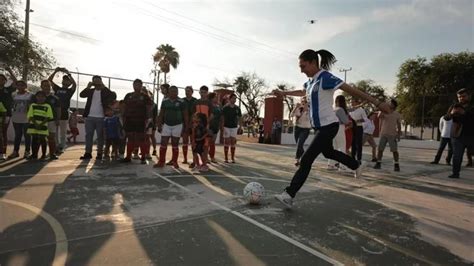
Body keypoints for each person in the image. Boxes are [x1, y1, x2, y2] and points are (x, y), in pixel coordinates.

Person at [272, 49, 391, 208]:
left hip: (329, 126)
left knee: (306, 159)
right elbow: (303, 91)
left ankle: (289, 194)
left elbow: (351, 89)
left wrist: (376, 103)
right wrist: (284, 93)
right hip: (320, 127)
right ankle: (356, 165)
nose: (301, 70)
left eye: (303, 66)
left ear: (314, 63)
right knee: (328, 152)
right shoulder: (310, 82)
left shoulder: (325, 78)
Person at [79, 75, 116, 160]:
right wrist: (88, 87)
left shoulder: (104, 91)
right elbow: (81, 95)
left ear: (101, 81)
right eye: (95, 81)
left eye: (98, 81)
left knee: (100, 136)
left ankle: (99, 153)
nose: (96, 82)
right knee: (89, 135)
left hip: (101, 117)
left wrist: (103, 86)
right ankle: (88, 153)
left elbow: (113, 96)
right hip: (89, 116)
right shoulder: (90, 91)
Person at [154, 85, 188, 168]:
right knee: (163, 143)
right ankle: (161, 162)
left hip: (178, 125)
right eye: (172, 91)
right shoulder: (165, 101)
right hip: (166, 125)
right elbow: (161, 114)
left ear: (177, 92)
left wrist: (186, 127)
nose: (174, 93)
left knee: (175, 144)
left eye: (175, 91)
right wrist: (159, 125)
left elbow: (185, 115)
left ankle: (175, 162)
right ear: (169, 92)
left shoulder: (181, 102)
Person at [121, 79, 153, 164]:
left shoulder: (145, 96)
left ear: (141, 86)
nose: (137, 86)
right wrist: (123, 117)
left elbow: (149, 108)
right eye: (135, 85)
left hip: (141, 120)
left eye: (139, 85)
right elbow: (123, 107)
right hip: (129, 120)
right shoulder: (128, 95)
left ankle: (143, 157)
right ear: (133, 85)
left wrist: (149, 120)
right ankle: (128, 157)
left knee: (141, 139)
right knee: (130, 138)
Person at [49, 67, 76, 153]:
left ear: (69, 82)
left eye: (67, 80)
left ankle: (62, 147)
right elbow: (49, 80)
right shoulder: (57, 89)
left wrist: (68, 73)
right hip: (55, 112)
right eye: (64, 79)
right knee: (54, 131)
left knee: (63, 132)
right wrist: (55, 71)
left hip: (64, 112)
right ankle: (56, 146)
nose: (65, 81)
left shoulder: (70, 91)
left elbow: (75, 84)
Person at [449, 88, 474, 178]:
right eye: (459, 97)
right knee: (457, 156)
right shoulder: (455, 106)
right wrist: (451, 113)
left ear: (469, 96)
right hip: (457, 135)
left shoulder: (472, 106)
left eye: (463, 96)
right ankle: (455, 173)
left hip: (471, 135)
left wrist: (464, 113)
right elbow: (446, 117)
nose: (461, 98)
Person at [34, 80, 61, 160]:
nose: (47, 87)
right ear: (41, 86)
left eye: (48, 86)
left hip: (51, 121)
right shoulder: (36, 96)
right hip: (39, 121)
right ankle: (36, 155)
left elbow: (58, 109)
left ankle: (52, 154)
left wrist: (58, 119)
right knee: (39, 138)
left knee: (51, 138)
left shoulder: (55, 98)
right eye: (45, 85)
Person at [373, 99, 402, 172]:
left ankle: (396, 165)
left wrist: (398, 135)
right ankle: (378, 163)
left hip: (392, 135)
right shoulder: (383, 112)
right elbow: (378, 116)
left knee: (394, 150)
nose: (389, 104)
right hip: (383, 134)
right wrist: (382, 110)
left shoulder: (397, 114)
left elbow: (399, 125)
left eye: (391, 103)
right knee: (380, 149)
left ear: (394, 105)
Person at [8, 80, 32, 159]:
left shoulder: (30, 95)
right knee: (17, 135)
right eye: (18, 85)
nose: (20, 87)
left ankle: (27, 151)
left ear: (25, 86)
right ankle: (15, 151)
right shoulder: (13, 95)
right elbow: (11, 105)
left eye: (22, 85)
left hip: (26, 118)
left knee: (27, 135)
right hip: (16, 118)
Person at [26, 91, 53, 160]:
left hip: (43, 126)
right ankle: (34, 155)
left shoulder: (47, 106)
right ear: (36, 97)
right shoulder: (32, 105)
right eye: (39, 96)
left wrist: (40, 124)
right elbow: (30, 115)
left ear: (45, 98)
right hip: (33, 125)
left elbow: (48, 117)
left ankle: (43, 155)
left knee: (43, 140)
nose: (40, 98)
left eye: (42, 96)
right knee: (34, 139)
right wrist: (35, 124)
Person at [191, 85, 213, 167]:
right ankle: (195, 162)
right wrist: (194, 123)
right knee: (195, 144)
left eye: (204, 92)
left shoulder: (209, 103)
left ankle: (205, 161)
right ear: (199, 92)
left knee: (205, 145)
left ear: (207, 93)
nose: (203, 94)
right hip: (196, 127)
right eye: (201, 92)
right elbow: (193, 114)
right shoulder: (196, 102)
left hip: (205, 127)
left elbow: (212, 115)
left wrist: (206, 123)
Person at [328, 95, 351, 170]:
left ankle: (331, 164)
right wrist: (349, 121)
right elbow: (345, 121)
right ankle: (342, 166)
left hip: (332, 129)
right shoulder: (340, 109)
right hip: (339, 128)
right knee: (342, 147)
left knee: (334, 147)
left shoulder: (333, 109)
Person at [0, 66, 17, 160]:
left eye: (2, 79)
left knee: (3, 132)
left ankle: (3, 152)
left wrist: (10, 71)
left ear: (5, 81)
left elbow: (16, 82)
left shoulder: (8, 89)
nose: (0, 81)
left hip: (6, 114)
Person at [290, 96, 311, 166]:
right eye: (302, 102)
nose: (303, 103)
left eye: (305, 102)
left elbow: (310, 119)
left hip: (305, 128)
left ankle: (297, 159)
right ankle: (305, 157)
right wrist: (296, 107)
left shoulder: (310, 110)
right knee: (299, 145)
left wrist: (307, 111)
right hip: (297, 128)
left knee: (300, 143)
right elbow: (291, 115)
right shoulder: (298, 109)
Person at [222, 94, 242, 163]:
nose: (234, 100)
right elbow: (222, 118)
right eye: (233, 98)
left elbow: (240, 118)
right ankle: (226, 158)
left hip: (234, 127)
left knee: (233, 142)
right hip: (226, 126)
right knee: (226, 142)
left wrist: (240, 126)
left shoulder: (237, 108)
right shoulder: (225, 107)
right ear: (229, 99)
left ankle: (232, 158)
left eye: (235, 99)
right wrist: (222, 127)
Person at [181, 86, 197, 165]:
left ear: (192, 92)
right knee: (184, 142)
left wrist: (193, 122)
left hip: (193, 124)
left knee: (193, 142)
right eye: (186, 91)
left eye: (188, 91)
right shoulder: (182, 100)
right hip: (184, 124)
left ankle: (194, 159)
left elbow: (196, 113)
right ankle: (185, 158)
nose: (187, 92)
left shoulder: (195, 101)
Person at [349, 98, 368, 163]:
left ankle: (359, 159)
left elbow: (365, 119)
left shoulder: (361, 110)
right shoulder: (350, 110)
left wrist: (357, 121)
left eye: (353, 102)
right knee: (352, 143)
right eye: (351, 102)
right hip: (351, 128)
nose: (351, 103)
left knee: (358, 144)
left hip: (358, 127)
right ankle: (352, 158)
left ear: (357, 103)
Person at [208, 92, 223, 163]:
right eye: (215, 97)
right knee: (208, 142)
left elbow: (221, 116)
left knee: (212, 142)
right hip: (210, 126)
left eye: (217, 97)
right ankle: (208, 157)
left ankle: (211, 156)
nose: (217, 98)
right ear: (211, 98)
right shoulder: (209, 105)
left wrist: (220, 125)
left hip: (216, 126)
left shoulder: (218, 106)